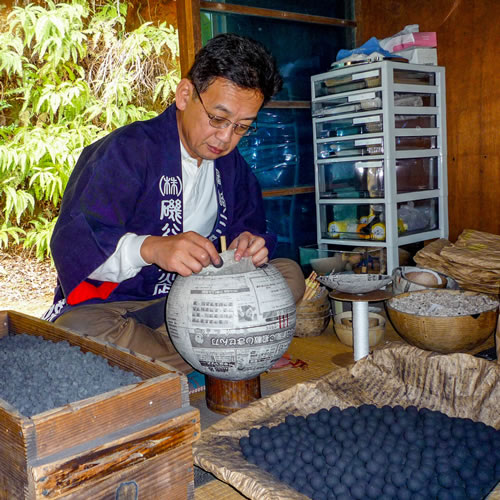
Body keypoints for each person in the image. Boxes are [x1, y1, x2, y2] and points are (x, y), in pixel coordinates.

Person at [43, 33, 305, 372]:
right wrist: (151, 249)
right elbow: (76, 242)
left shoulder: (231, 165)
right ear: (185, 95)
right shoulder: (127, 150)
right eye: (217, 118)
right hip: (120, 307)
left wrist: (249, 246)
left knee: (289, 276)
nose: (225, 138)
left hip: (195, 300)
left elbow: (249, 226)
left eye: (242, 127)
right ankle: (223, 351)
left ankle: (196, 354)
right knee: (78, 332)